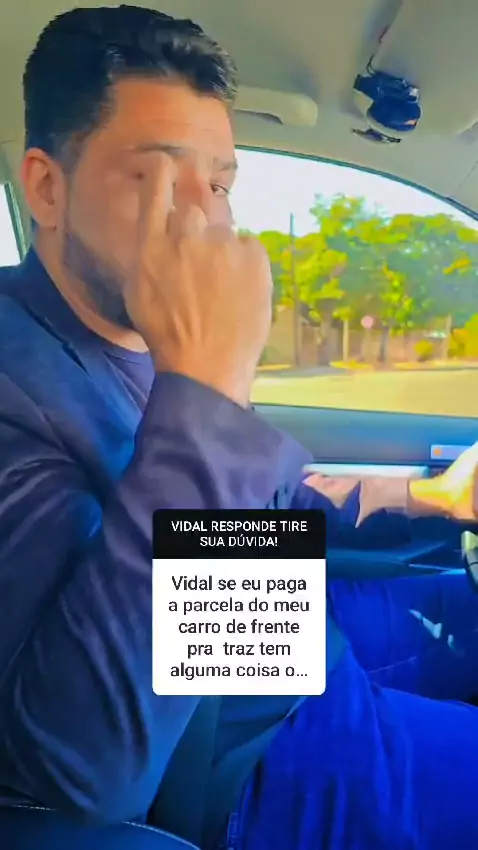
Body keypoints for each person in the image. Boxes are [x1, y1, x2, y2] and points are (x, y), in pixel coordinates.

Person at [0, 6, 478, 850]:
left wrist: (429, 496)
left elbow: (256, 504)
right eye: (157, 177)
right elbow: (83, 772)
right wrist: (208, 382)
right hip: (245, 756)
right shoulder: (17, 377)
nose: (205, 219)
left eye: (218, 185)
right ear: (46, 188)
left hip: (273, 634)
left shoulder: (145, 339)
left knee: (465, 612)